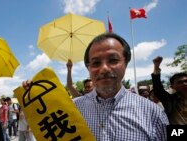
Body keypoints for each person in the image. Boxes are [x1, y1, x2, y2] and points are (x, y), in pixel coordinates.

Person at [23, 32, 168, 141]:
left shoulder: (153, 114)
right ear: (88, 68)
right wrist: (33, 95)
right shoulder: (71, 109)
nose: (104, 68)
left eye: (113, 60)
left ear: (126, 63)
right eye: (96, 63)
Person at [152, 56, 187, 124]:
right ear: (172, 86)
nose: (184, 84)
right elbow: (158, 89)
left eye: (186, 81)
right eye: (180, 82)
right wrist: (156, 67)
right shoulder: (169, 100)